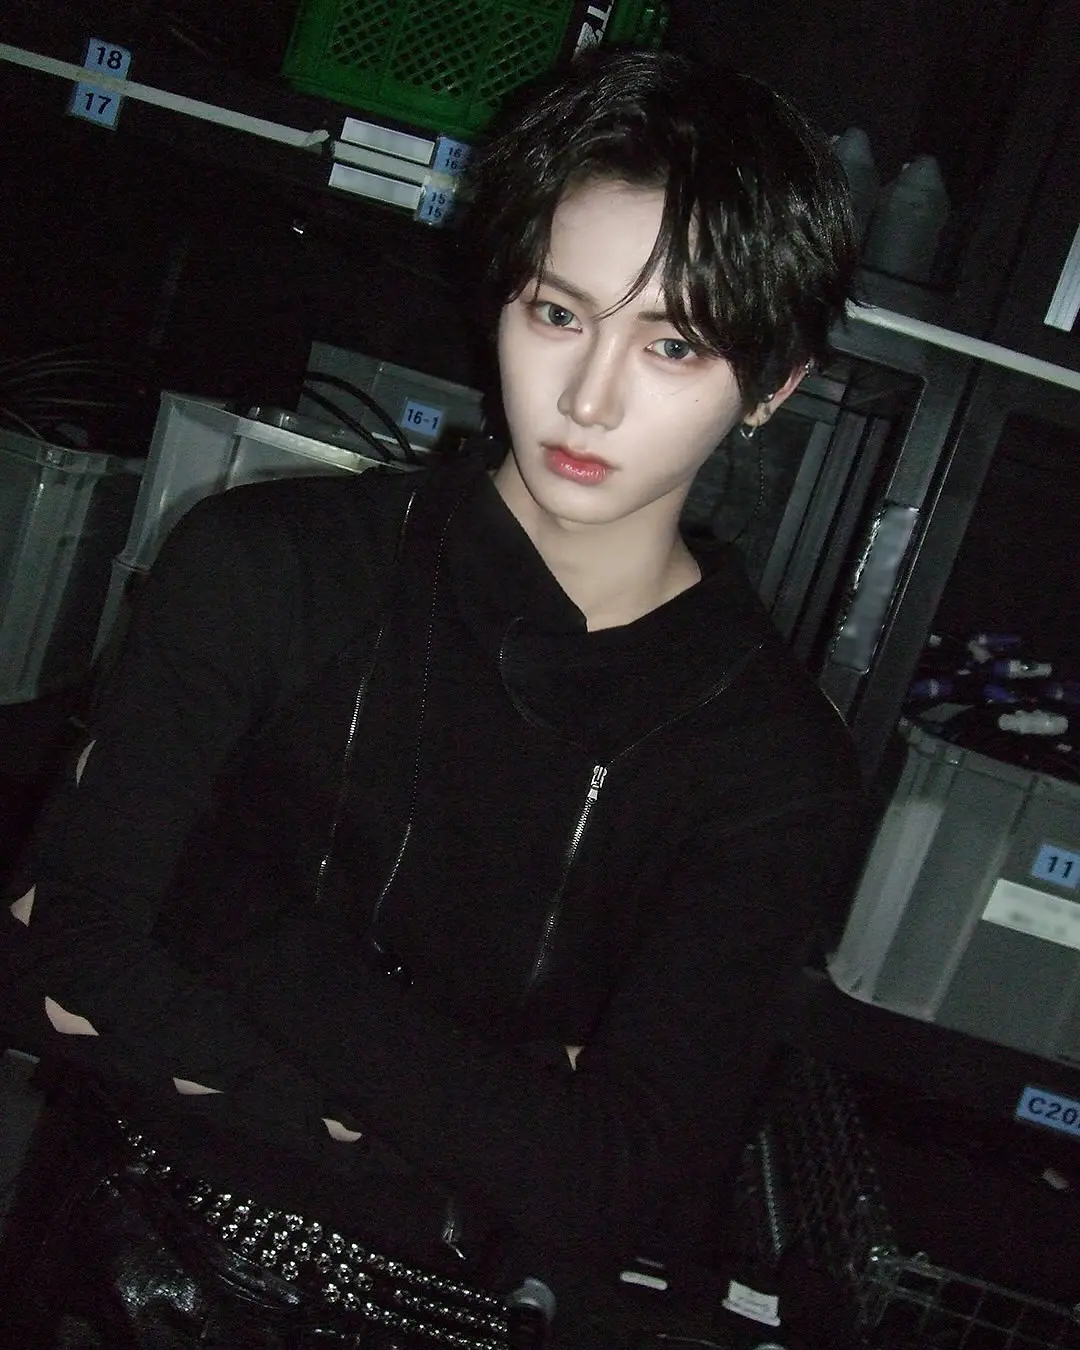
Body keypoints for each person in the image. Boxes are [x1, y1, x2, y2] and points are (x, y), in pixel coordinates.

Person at [1, 44, 865, 1348]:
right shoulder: (268, 566)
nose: (589, 397)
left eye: (674, 344)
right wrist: (469, 1132)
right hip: (131, 1263)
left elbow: (612, 1187)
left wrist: (231, 917)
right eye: (558, 314)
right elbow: (60, 953)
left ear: (775, 386)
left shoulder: (774, 768)